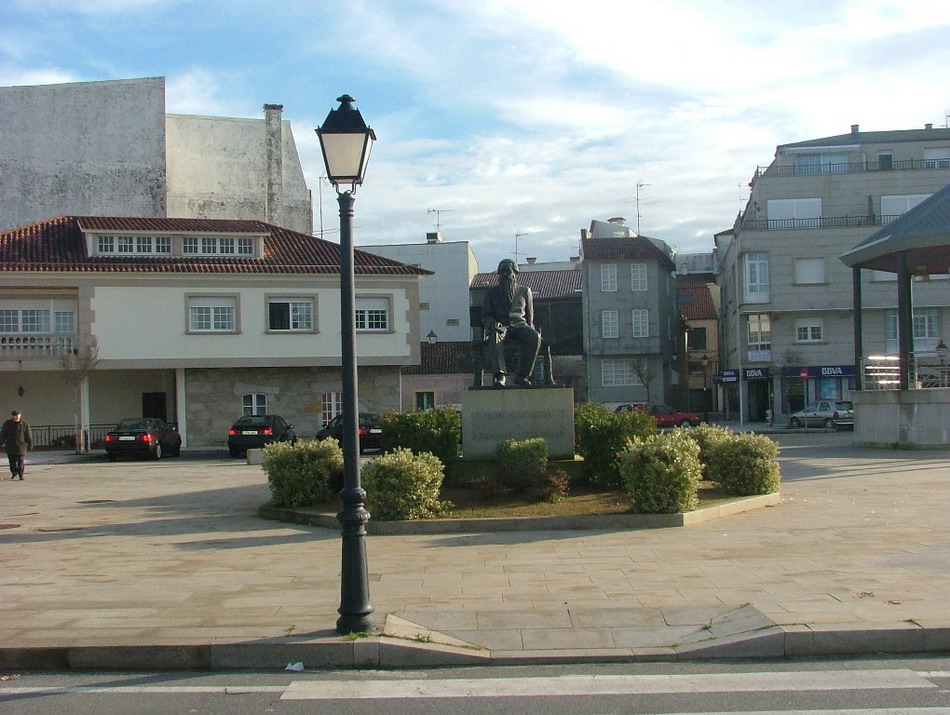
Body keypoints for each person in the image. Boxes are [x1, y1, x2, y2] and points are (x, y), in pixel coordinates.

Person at [481, 258, 542, 387]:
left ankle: (522, 376)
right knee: (494, 336)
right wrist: (492, 323)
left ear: (514, 273)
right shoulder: (491, 292)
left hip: (520, 325)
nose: (504, 274)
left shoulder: (525, 291)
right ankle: (500, 376)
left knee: (534, 336)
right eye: (501, 271)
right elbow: (486, 315)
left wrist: (531, 328)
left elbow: (530, 315)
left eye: (507, 271)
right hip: (501, 326)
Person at [1, 409, 32, 480]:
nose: (15, 417)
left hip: (21, 446)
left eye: (17, 415)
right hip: (10, 446)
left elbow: (28, 435)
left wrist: (30, 444)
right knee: (12, 462)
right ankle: (14, 473)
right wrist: (1, 443)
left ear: (20, 416)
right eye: (14, 416)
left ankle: (21, 474)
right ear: (12, 416)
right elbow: (3, 434)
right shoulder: (7, 424)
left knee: (20, 461)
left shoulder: (24, 424)